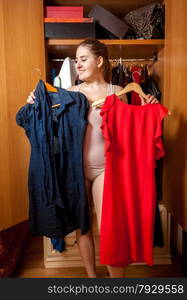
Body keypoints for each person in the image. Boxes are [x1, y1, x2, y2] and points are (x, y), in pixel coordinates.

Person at [27, 38, 159, 278]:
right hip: (75, 169)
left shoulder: (118, 92)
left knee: (110, 227)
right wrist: (34, 100)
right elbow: (47, 115)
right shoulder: (69, 93)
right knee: (83, 225)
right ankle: (92, 279)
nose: (78, 64)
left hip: (104, 168)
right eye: (76, 60)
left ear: (99, 61)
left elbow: (131, 131)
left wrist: (148, 109)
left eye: (83, 59)